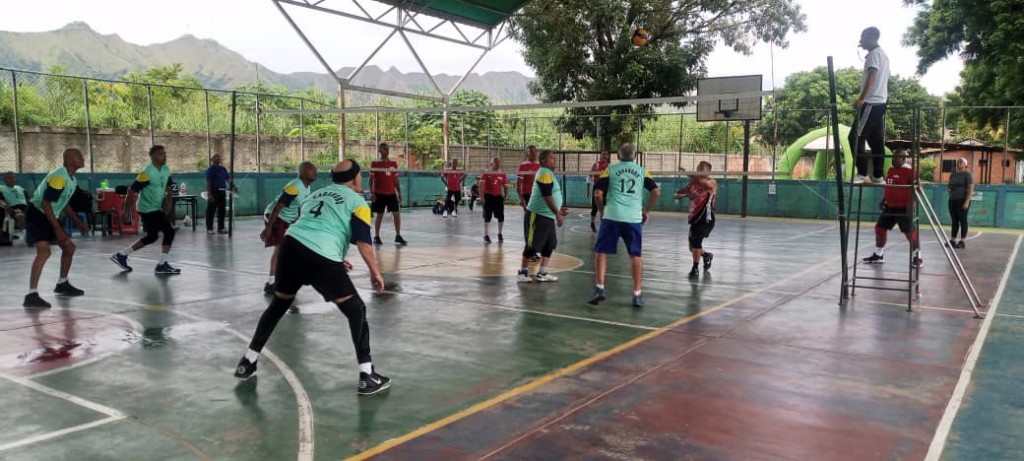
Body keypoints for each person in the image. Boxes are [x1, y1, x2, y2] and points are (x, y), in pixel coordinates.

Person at [234, 159, 391, 396]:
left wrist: (334, 257)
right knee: (356, 309)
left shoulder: (316, 194)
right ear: (355, 178)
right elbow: (363, 242)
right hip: (320, 258)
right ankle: (367, 376)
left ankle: (248, 361)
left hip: (291, 248)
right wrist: (375, 272)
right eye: (361, 176)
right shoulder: (357, 202)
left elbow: (314, 225)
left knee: (278, 305)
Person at [589, 143, 661, 307]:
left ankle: (600, 288)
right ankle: (637, 294)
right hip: (633, 218)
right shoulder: (642, 171)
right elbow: (656, 192)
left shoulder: (611, 170)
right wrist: (647, 211)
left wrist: (602, 211)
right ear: (634, 156)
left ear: (618, 156)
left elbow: (598, 193)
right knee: (635, 255)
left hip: (612, 216)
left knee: (601, 252)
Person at [23, 149, 90, 308]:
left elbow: (63, 202)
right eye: (78, 155)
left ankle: (62, 284)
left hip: (49, 214)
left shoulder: (71, 179)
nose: (82, 157)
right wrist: (58, 228)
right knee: (44, 252)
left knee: (69, 247)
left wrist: (77, 221)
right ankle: (31, 294)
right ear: (68, 158)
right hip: (37, 214)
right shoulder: (60, 176)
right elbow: (46, 203)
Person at [110, 145, 182, 275]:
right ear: (153, 156)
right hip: (147, 208)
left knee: (152, 236)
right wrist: (126, 212)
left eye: (165, 153)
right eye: (161, 154)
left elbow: (169, 185)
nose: (164, 156)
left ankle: (122, 255)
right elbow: (131, 191)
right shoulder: (147, 173)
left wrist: (169, 202)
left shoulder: (165, 169)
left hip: (155, 207)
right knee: (169, 232)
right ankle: (162, 264)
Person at [261, 161, 317, 294]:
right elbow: (278, 207)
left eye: (315, 169)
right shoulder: (294, 187)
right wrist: (269, 227)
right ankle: (271, 283)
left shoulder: (307, 187)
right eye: (311, 170)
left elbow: (299, 207)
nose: (315, 172)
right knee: (280, 249)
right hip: (276, 217)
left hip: (288, 219)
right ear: (303, 173)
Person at [862, 150, 922, 267]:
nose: (893, 160)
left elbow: (918, 188)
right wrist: (884, 200)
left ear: (903, 159)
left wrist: (912, 204)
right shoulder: (890, 169)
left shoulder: (910, 171)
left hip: (903, 208)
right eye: (893, 157)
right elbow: (889, 185)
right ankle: (878, 255)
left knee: (910, 233)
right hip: (889, 206)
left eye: (896, 158)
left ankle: (918, 257)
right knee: (880, 229)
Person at [518, 150, 569, 283]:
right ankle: (522, 272)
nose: (555, 160)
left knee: (550, 244)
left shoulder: (549, 174)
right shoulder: (544, 173)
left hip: (548, 216)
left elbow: (551, 196)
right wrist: (557, 213)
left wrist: (558, 209)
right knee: (532, 246)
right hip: (537, 215)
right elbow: (547, 195)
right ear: (544, 161)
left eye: (554, 158)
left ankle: (543, 272)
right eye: (551, 158)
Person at [850, 26, 890, 184]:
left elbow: (872, 76)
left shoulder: (874, 55)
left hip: (872, 102)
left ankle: (862, 173)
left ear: (871, 37)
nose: (861, 41)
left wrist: (862, 98)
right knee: (876, 141)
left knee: (854, 137)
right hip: (881, 102)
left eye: (863, 38)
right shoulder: (883, 55)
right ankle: (879, 176)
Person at [674, 161, 717, 278]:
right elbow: (686, 191)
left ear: (708, 172)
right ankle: (706, 255)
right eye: (698, 169)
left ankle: (695, 268)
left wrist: (686, 173)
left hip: (706, 218)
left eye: (701, 169)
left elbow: (703, 183)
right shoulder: (693, 184)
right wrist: (680, 194)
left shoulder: (711, 183)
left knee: (696, 242)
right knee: (691, 247)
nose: (698, 171)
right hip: (694, 217)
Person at [369, 143, 407, 245]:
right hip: (379, 193)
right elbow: (371, 179)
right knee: (380, 215)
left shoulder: (393, 163)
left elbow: (395, 179)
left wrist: (399, 193)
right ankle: (376, 236)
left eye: (387, 149)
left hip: (391, 194)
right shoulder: (375, 163)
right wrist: (372, 193)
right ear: (379, 151)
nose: (386, 150)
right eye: (384, 149)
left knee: (396, 214)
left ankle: (398, 236)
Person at [479, 157, 509, 243]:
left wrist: (506, 195)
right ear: (491, 164)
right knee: (487, 216)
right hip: (488, 196)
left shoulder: (502, 173)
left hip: (498, 197)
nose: (498, 164)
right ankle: (486, 235)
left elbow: (505, 185)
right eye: (496, 163)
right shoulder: (486, 173)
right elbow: (481, 185)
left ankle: (500, 233)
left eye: (499, 162)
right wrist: (482, 197)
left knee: (501, 216)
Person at [947, 157, 974, 249]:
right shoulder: (953, 174)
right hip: (952, 200)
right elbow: (949, 185)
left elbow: (971, 189)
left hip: (962, 200)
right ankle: (953, 240)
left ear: (965, 165)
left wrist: (967, 201)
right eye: (958, 162)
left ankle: (962, 241)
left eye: (961, 162)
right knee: (954, 221)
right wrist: (950, 189)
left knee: (963, 220)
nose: (959, 163)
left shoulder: (967, 174)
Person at [586, 150, 612, 233]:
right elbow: (589, 177)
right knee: (595, 208)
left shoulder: (610, 166)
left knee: (605, 208)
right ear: (600, 155)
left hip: (606, 189)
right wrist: (587, 190)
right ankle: (592, 223)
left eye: (606, 154)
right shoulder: (596, 165)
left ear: (608, 156)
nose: (604, 156)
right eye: (603, 154)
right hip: (597, 188)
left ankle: (603, 226)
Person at [205, 154, 231, 235]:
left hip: (222, 191)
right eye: (215, 157)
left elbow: (228, 179)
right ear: (212, 160)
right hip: (214, 191)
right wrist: (210, 193)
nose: (218, 158)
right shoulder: (210, 170)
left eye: (219, 157)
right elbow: (208, 182)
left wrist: (233, 186)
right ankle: (209, 228)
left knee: (222, 211)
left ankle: (221, 227)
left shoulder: (223, 169)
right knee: (211, 211)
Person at [1, 171, 29, 235]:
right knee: (20, 216)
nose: (12, 180)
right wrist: (5, 205)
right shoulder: (1, 188)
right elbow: (1, 200)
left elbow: (28, 199)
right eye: (10, 178)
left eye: (14, 178)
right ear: (5, 180)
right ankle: (26, 235)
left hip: (25, 206)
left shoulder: (20, 188)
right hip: (13, 207)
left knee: (42, 213)